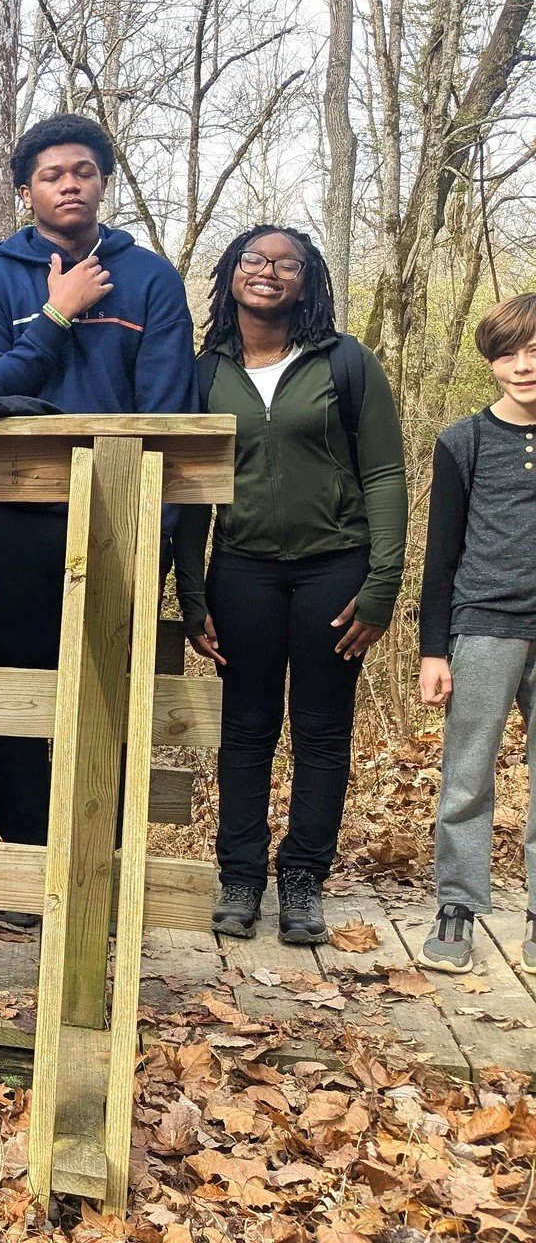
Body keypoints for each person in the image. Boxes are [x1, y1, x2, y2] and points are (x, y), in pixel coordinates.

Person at [0, 114, 198, 857]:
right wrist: (58, 316)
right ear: (25, 191)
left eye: (84, 171)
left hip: (121, 515)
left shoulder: (150, 277)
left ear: (103, 181)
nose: (70, 184)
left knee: (109, 689)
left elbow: (166, 405)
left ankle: (100, 855)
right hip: (16, 513)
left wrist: (152, 525)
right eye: (52, 175)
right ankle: (30, 858)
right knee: (22, 690)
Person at [176, 227, 407, 946]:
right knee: (245, 730)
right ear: (230, 274)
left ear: (307, 282)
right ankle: (240, 877)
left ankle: (303, 877)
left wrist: (383, 584)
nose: (268, 272)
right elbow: (186, 485)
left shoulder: (346, 362)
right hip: (240, 570)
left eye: (287, 264)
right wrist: (191, 593)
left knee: (321, 729)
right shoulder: (202, 371)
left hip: (334, 568)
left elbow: (384, 474)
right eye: (253, 260)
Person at [416, 293, 536, 977]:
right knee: (466, 778)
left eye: (533, 351)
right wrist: (435, 649)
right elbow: (442, 553)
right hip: (484, 627)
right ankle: (457, 909)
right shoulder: (463, 441)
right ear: (491, 362)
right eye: (507, 354)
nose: (522, 367)